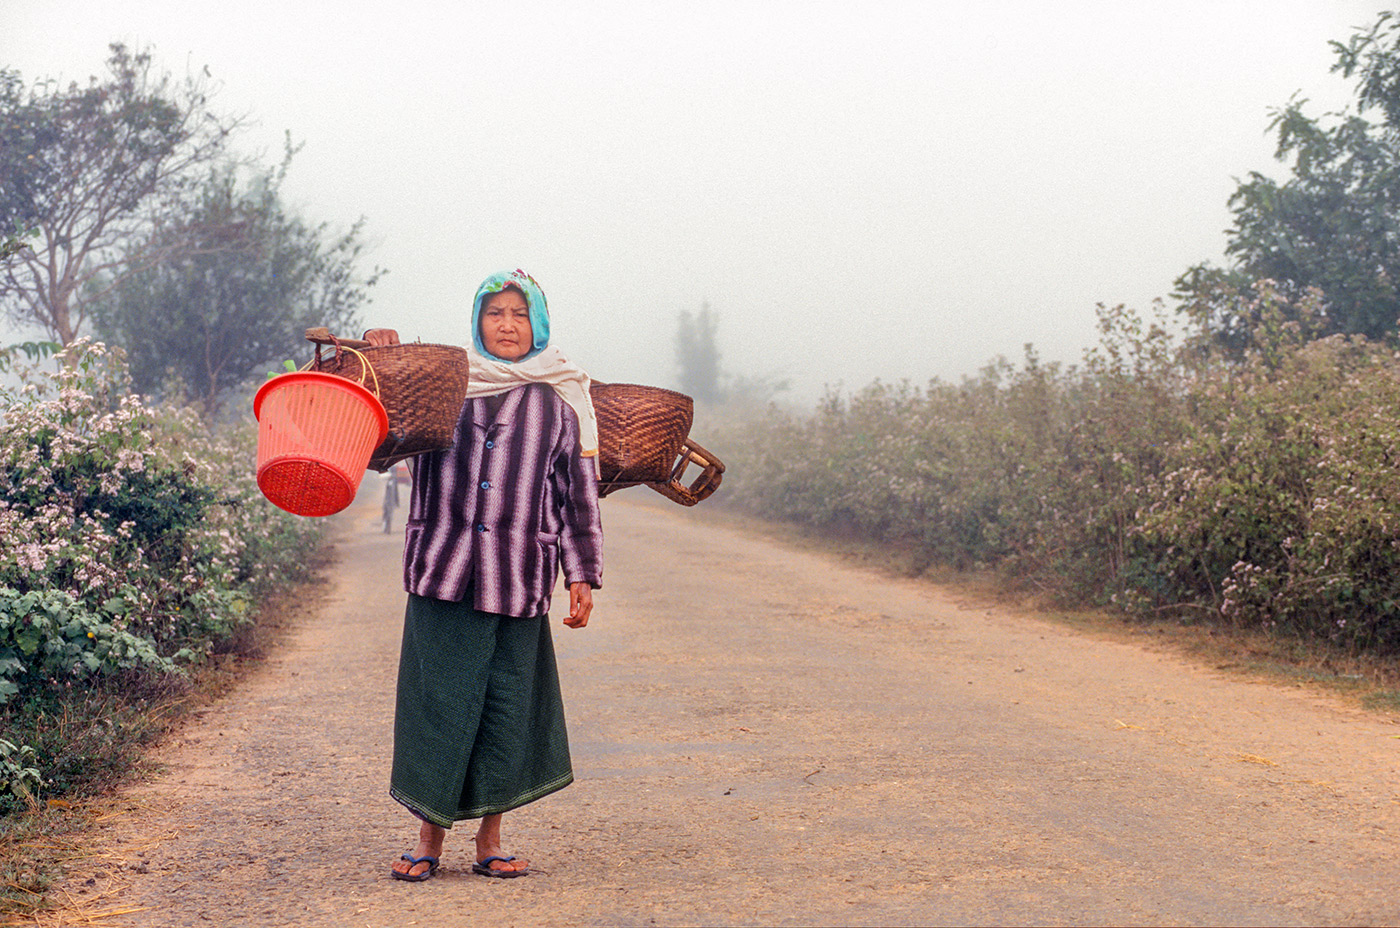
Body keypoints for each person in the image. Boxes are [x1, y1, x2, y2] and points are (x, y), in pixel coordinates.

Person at [364, 268, 603, 882]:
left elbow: (578, 498)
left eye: (519, 315)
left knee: (504, 706)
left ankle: (491, 840)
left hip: (520, 577)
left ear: (538, 326)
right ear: (477, 322)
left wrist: (581, 574)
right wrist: (378, 360)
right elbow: (380, 443)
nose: (507, 325)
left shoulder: (560, 402)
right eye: (495, 313)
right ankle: (428, 840)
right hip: (444, 570)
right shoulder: (443, 388)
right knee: (439, 703)